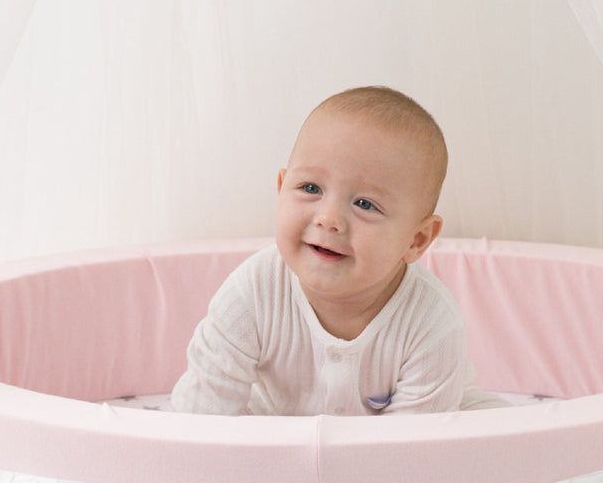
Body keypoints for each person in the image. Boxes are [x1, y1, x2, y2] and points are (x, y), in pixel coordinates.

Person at [170, 86, 501, 415]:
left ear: (416, 240)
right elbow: (200, 413)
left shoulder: (431, 323)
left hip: (420, 425)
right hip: (274, 426)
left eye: (365, 204)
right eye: (310, 187)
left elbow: (414, 443)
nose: (328, 219)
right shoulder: (251, 293)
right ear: (282, 188)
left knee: (492, 428)